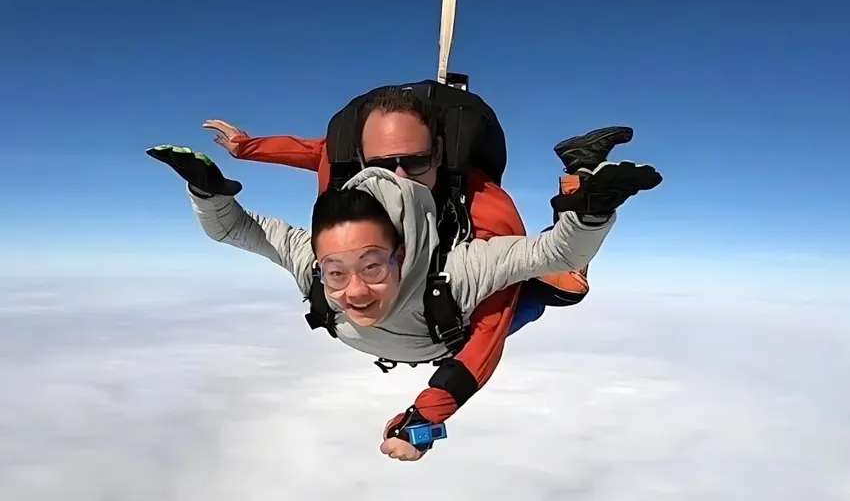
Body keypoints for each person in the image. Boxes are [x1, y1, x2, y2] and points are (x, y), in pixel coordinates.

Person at [145, 139, 662, 461]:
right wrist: (212, 189)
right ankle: (579, 165)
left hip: (461, 303)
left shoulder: (461, 274)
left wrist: (421, 422)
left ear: (401, 252)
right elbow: (241, 228)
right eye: (336, 271)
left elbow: (539, 273)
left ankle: (580, 169)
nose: (353, 291)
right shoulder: (313, 259)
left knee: (559, 286)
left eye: (373, 266)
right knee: (557, 282)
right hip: (443, 304)